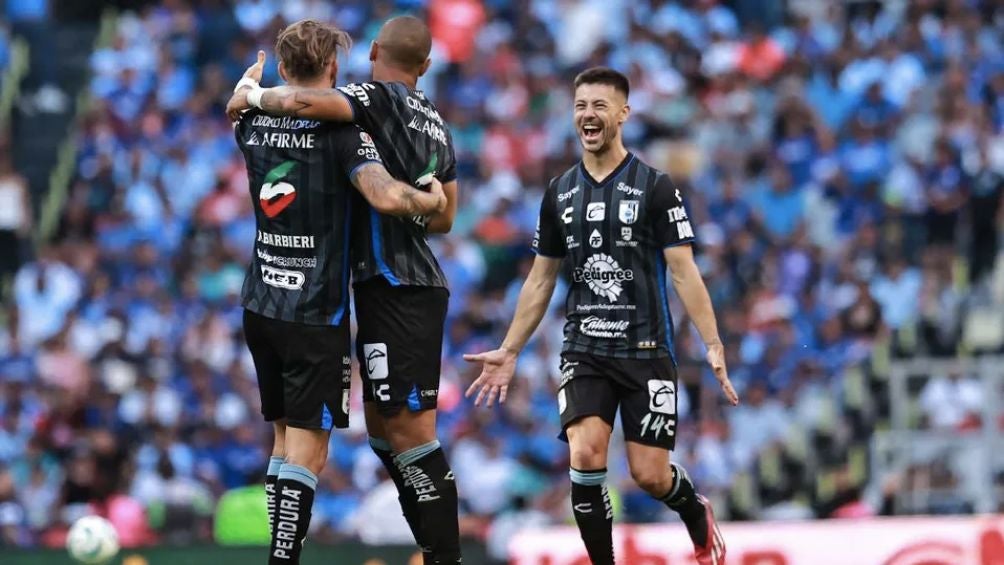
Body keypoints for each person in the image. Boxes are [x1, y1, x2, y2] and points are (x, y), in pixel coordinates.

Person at [463, 67, 738, 565]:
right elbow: (541, 280)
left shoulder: (655, 187)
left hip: (646, 351)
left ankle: (695, 511)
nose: (588, 115)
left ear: (623, 114)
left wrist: (713, 343)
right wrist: (510, 349)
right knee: (585, 455)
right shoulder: (559, 192)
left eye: (599, 106)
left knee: (650, 475)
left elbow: (684, 272)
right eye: (580, 106)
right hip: (584, 348)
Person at [228, 16, 462, 564]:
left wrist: (248, 91)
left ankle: (442, 557)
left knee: (376, 435)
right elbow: (436, 213)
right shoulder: (424, 123)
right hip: (337, 300)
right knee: (378, 433)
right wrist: (428, 204)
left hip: (281, 296)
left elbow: (247, 109)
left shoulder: (264, 122)